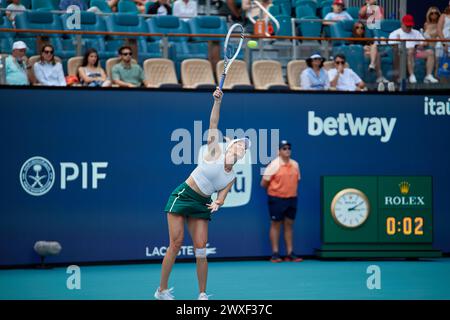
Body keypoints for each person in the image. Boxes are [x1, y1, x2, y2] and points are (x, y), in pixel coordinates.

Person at [154, 88, 251, 300]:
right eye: (240, 144)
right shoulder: (214, 150)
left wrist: (218, 203)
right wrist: (217, 102)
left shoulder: (232, 176)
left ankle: (202, 293)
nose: (242, 147)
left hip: (202, 203)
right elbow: (213, 124)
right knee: (176, 243)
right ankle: (161, 290)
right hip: (183, 195)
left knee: (200, 249)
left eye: (245, 147)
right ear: (231, 146)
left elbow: (222, 197)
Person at [261, 140, 302, 263]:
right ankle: (275, 253)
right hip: (276, 199)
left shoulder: (295, 164)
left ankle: (290, 253)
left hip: (291, 199)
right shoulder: (273, 165)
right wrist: (277, 190)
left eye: (289, 148)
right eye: (284, 148)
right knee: (275, 225)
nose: (287, 150)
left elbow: (297, 180)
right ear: (279, 151)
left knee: (289, 225)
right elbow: (263, 183)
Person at [389, 14, 439, 84]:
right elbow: (392, 46)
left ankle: (428, 75)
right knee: (410, 51)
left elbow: (425, 43)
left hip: (416, 53)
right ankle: (412, 75)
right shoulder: (395, 33)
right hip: (403, 53)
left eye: (410, 26)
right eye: (407, 26)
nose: (409, 27)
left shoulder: (416, 32)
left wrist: (421, 45)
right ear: (402, 24)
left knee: (430, 52)